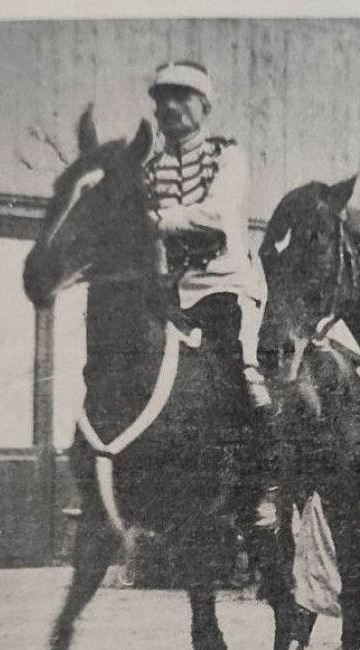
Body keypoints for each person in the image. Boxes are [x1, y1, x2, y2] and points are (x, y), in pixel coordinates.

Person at [143, 60, 278, 531]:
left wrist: (161, 220)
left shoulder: (227, 156)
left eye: (182, 97)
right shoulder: (149, 166)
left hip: (225, 286)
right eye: (163, 100)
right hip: (171, 292)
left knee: (244, 372)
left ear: (205, 105)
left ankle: (263, 491)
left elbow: (217, 214)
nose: (171, 108)